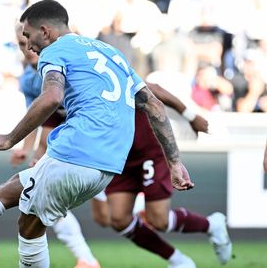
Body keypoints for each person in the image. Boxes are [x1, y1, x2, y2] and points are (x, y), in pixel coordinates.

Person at [0, 0, 193, 268]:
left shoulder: (56, 51)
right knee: (9, 192)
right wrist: (174, 162)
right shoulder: (111, 53)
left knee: (29, 226)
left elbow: (52, 96)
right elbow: (153, 106)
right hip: (108, 164)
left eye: (28, 36)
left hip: (75, 152)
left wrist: (9, 138)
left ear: (46, 31)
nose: (27, 45)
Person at [90, 82, 232, 268]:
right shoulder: (62, 86)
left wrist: (190, 116)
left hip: (149, 151)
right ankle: (178, 261)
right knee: (118, 219)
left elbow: (154, 90)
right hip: (120, 156)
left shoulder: (104, 73)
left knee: (158, 220)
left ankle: (211, 225)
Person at [10, 22, 101, 268]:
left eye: (29, 40)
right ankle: (86, 259)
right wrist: (29, 150)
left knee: (112, 217)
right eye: (21, 44)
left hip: (95, 143)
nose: (28, 48)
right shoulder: (30, 78)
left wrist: (37, 150)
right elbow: (36, 116)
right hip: (70, 146)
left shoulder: (65, 64)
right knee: (46, 197)